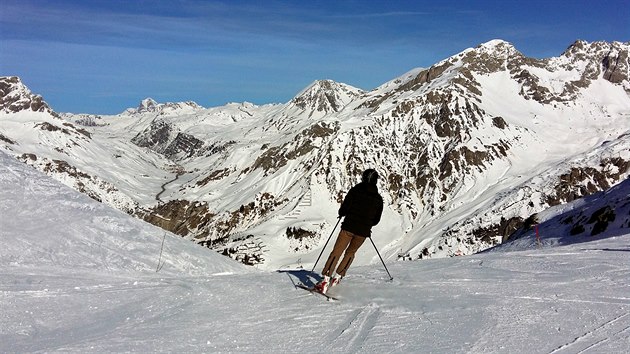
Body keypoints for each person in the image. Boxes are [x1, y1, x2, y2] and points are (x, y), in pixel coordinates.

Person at [315, 168, 384, 294]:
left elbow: (345, 207)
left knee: (337, 251)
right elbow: (376, 220)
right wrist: (367, 224)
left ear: (363, 178)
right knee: (350, 253)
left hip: (348, 227)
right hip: (363, 232)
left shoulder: (356, 191)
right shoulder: (378, 199)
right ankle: (337, 278)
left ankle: (325, 280)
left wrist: (342, 213)